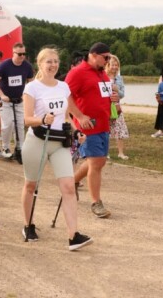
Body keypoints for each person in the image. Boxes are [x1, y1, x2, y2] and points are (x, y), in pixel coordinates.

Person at [21, 48, 92, 250]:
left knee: (69, 187)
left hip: (60, 142)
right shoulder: (32, 88)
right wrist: (42, 119)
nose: (52, 65)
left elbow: (67, 116)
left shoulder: (63, 87)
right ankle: (28, 225)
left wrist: (77, 131)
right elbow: (27, 119)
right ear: (40, 65)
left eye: (55, 62)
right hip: (38, 141)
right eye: (48, 62)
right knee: (31, 186)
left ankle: (73, 236)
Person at [65, 42, 118, 219]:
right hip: (87, 127)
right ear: (94, 55)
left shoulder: (102, 73)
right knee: (96, 163)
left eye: (109, 57)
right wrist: (79, 116)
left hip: (103, 125)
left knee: (99, 161)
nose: (108, 61)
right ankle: (96, 202)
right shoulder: (77, 72)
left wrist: (113, 99)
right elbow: (66, 96)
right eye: (106, 57)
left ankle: (71, 183)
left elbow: (101, 95)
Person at [0, 42, 34, 160]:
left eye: (24, 54)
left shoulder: (27, 66)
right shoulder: (5, 65)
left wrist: (28, 95)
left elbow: (31, 82)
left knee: (20, 125)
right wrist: (2, 95)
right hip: (6, 101)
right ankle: (5, 147)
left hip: (19, 100)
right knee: (8, 124)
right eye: (20, 54)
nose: (22, 56)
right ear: (13, 53)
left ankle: (20, 148)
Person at [105, 55, 130, 160]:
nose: (115, 67)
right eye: (112, 65)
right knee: (106, 130)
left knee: (120, 129)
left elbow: (122, 94)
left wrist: (117, 90)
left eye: (116, 65)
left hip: (116, 107)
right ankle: (105, 153)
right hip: (105, 106)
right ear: (108, 65)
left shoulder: (119, 78)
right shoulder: (103, 76)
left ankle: (120, 153)